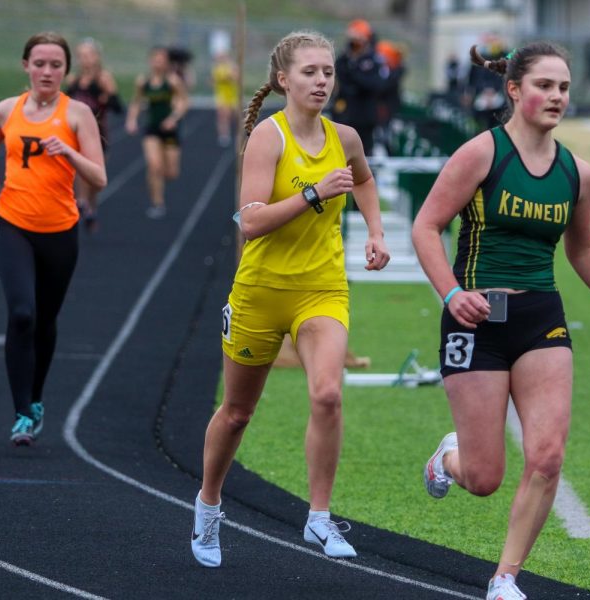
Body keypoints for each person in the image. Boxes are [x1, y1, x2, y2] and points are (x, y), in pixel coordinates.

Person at [411, 42, 590, 600]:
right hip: (476, 319)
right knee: (485, 477)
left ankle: (505, 579)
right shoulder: (480, 154)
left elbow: (583, 248)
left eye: (564, 87)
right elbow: (426, 228)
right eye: (545, 85)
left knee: (546, 456)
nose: (557, 97)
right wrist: (451, 295)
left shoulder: (577, 173)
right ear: (515, 90)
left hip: (542, 316)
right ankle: (448, 458)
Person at [191, 30, 390, 568]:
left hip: (321, 289)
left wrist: (374, 232)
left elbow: (364, 180)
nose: (322, 80)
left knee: (328, 394)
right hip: (260, 292)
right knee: (236, 413)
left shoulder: (344, 137)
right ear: (284, 79)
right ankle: (209, 505)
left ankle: (319, 518)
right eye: (310, 72)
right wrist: (313, 193)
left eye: (327, 71)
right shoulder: (267, 138)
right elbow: (249, 221)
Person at [0, 32, 107, 444]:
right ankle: (21, 413)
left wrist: (68, 152)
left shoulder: (78, 114)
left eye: (55, 65)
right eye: (40, 63)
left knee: (45, 320)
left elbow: (99, 178)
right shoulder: (6, 110)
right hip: (11, 221)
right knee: (22, 314)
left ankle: (35, 398)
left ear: (66, 70)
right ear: (25, 66)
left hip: (59, 230)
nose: (47, 71)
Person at [125, 46, 189, 219]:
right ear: (150, 60)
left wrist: (173, 119)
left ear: (167, 62)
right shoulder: (143, 82)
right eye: (155, 58)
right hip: (151, 128)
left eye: (161, 58)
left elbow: (184, 102)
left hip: (169, 130)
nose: (158, 62)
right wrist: (131, 120)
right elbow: (136, 102)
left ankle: (158, 183)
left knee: (171, 173)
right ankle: (157, 203)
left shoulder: (173, 81)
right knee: (154, 166)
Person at [65, 37, 121, 232]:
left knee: (96, 178)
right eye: (81, 56)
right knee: (80, 169)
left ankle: (91, 205)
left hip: (99, 133)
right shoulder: (74, 80)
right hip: (77, 132)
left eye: (88, 55)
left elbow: (118, 107)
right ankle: (82, 202)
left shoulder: (104, 79)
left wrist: (108, 96)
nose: (84, 59)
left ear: (97, 57)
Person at [330, 19, 389, 156]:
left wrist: (355, 73)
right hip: (344, 113)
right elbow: (340, 80)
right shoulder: (343, 60)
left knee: (364, 152)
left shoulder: (374, 60)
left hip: (365, 115)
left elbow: (375, 85)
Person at [464, 40, 507, 133]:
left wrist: (494, 91)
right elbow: (473, 79)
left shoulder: (502, 61)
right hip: (481, 95)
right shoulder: (478, 63)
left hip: (497, 97)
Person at [211, 51, 239, 147]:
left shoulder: (232, 67)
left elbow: (235, 77)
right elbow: (215, 80)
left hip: (232, 95)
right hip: (222, 96)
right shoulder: (218, 68)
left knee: (236, 115)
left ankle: (238, 134)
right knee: (223, 116)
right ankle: (224, 135)